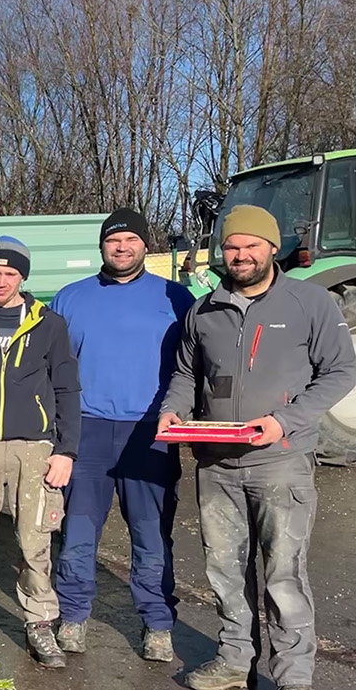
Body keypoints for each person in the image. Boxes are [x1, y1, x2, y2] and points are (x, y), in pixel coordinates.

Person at [160, 205, 356, 690]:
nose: (241, 255)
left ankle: (293, 676)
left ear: (272, 248)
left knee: (283, 575)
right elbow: (187, 374)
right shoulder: (203, 312)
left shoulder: (310, 303)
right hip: (217, 463)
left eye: (251, 245)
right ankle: (233, 661)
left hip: (281, 462)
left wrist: (283, 421)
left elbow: (341, 371)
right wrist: (173, 410)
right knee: (224, 570)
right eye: (232, 246)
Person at [49, 209, 195, 662]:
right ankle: (72, 616)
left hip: (150, 432)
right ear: (102, 246)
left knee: (151, 535)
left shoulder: (176, 297)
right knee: (78, 533)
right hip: (87, 429)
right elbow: (53, 371)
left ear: (144, 246)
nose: (122, 247)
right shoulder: (70, 299)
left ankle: (157, 624)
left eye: (131, 239)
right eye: (114, 240)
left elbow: (195, 364)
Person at [0, 236, 81, 669]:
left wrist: (66, 450)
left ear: (23, 276)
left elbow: (67, 389)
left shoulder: (49, 324)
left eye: (9, 273)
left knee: (35, 541)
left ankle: (40, 624)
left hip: (34, 448)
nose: (1, 280)